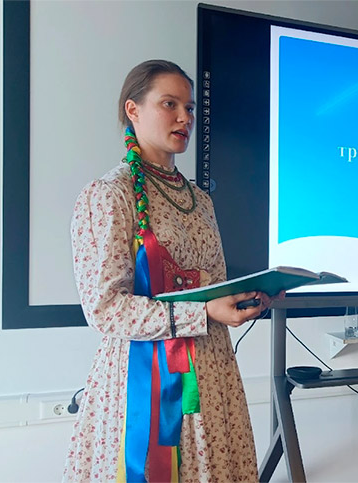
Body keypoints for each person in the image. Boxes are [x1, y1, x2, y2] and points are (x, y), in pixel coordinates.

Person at [63, 59, 278, 482]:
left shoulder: (200, 199)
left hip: (212, 374)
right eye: (170, 104)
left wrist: (251, 296)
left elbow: (214, 286)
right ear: (133, 110)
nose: (185, 117)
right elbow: (105, 309)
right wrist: (203, 313)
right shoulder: (109, 195)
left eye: (190, 107)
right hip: (143, 380)